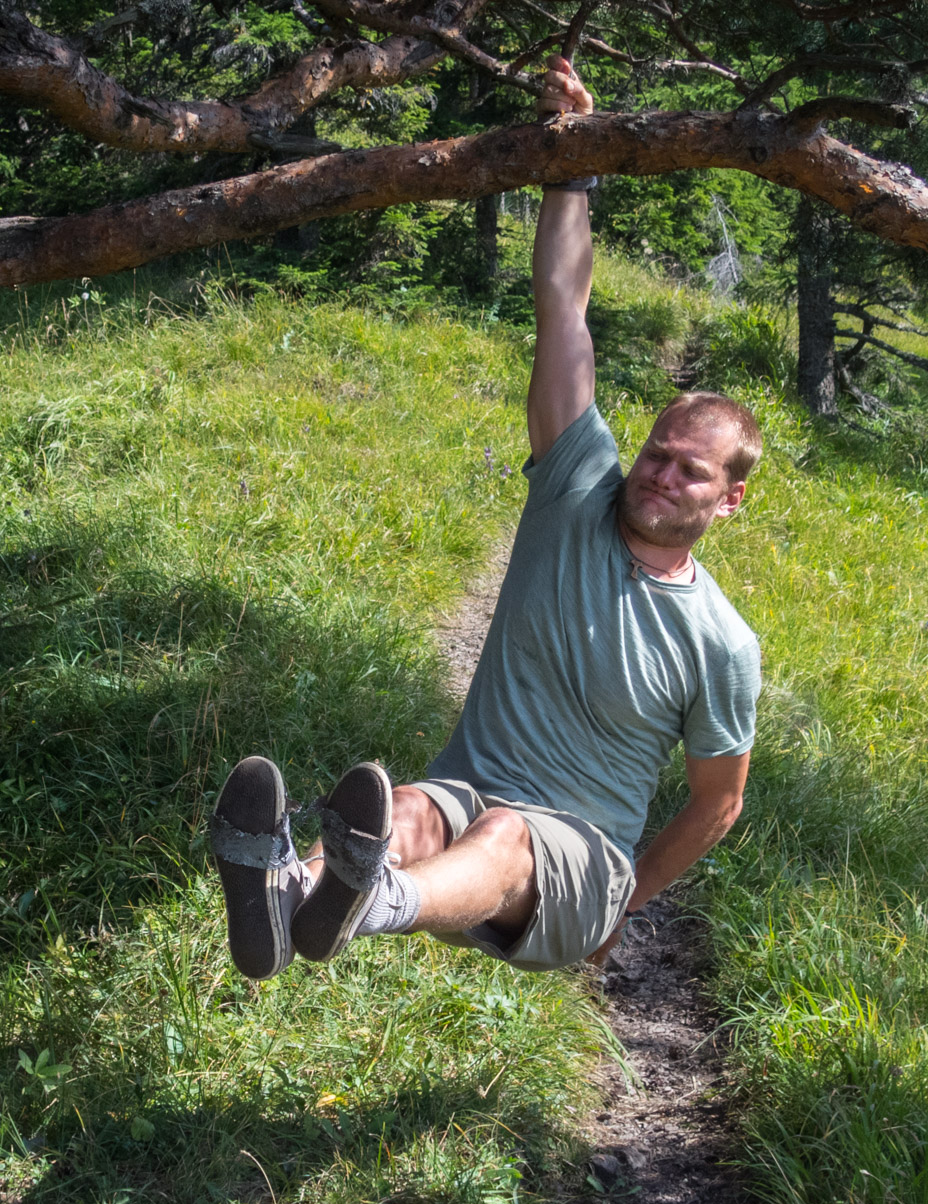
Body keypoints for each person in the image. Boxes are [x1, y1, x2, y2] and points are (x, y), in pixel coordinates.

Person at [209, 56, 762, 982]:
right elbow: (564, 313)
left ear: (730, 498)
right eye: (658, 451)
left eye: (690, 471)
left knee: (504, 831)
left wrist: (628, 899)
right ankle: (288, 896)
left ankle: (369, 900)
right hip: (471, 805)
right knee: (413, 810)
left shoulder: (721, 643)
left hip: (578, 864)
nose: (660, 475)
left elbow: (719, 803)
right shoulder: (576, 491)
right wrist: (570, 165)